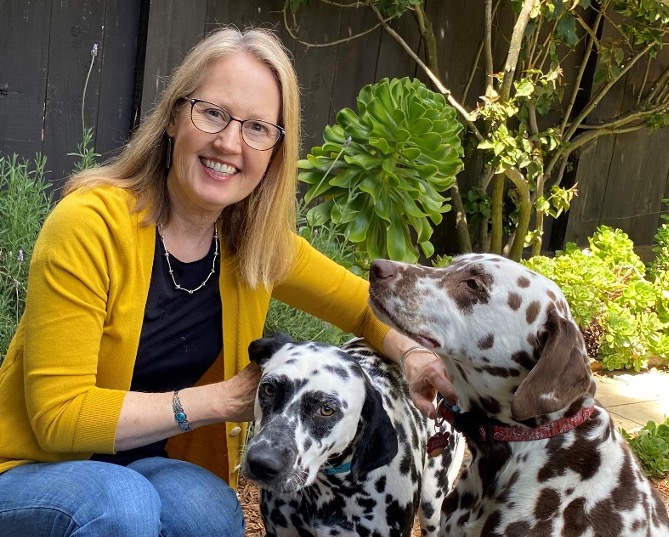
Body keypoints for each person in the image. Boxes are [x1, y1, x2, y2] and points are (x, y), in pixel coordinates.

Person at [0, 26, 453, 536]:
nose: (229, 142)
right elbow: (58, 417)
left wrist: (412, 355)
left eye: (258, 128)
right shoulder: (91, 224)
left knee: (209, 512)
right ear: (174, 117)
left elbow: (357, 305)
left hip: (141, 463)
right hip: (27, 470)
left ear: (275, 150)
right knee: (118, 506)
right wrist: (222, 400)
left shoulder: (254, 246)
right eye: (213, 112)